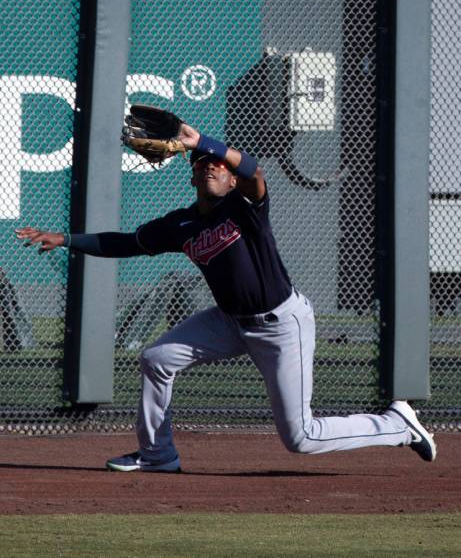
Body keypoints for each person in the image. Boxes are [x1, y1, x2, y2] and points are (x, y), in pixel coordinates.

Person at [16, 121, 436, 472]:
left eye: (219, 165)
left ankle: (397, 424)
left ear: (231, 180)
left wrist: (203, 143)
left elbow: (254, 171)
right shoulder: (180, 224)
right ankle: (157, 455)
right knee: (157, 358)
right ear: (193, 176)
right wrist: (66, 238)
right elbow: (124, 242)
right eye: (204, 165)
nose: (212, 168)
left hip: (280, 325)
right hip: (229, 321)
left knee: (301, 437)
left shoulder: (244, 206)